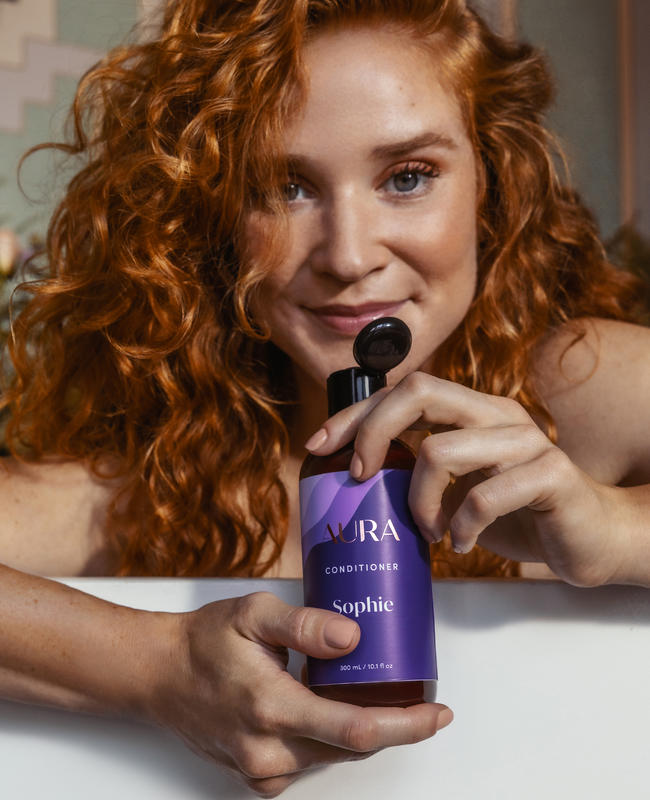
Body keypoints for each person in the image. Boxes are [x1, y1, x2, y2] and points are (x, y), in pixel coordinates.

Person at [1, 0, 649, 795]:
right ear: (212, 222)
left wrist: (618, 528)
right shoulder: (155, 488)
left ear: (493, 181)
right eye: (284, 186)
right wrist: (156, 667)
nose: (348, 256)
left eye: (408, 177)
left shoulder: (580, 388)